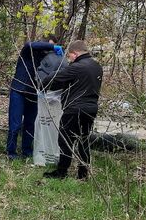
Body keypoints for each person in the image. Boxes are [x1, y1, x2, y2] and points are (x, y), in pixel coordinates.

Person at [40, 40, 103, 180]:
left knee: (65, 139)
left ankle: (61, 172)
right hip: (91, 109)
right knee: (83, 140)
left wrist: (42, 84)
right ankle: (83, 174)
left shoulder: (77, 67)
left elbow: (53, 79)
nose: (69, 59)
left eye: (69, 56)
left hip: (74, 108)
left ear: (75, 54)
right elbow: (77, 83)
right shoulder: (97, 66)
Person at [7, 37, 64, 159]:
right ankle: (11, 152)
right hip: (19, 91)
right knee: (15, 124)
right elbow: (28, 44)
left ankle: (26, 150)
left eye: (52, 48)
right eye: (48, 47)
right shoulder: (28, 52)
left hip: (34, 94)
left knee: (30, 124)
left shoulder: (46, 59)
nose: (49, 51)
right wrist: (52, 47)